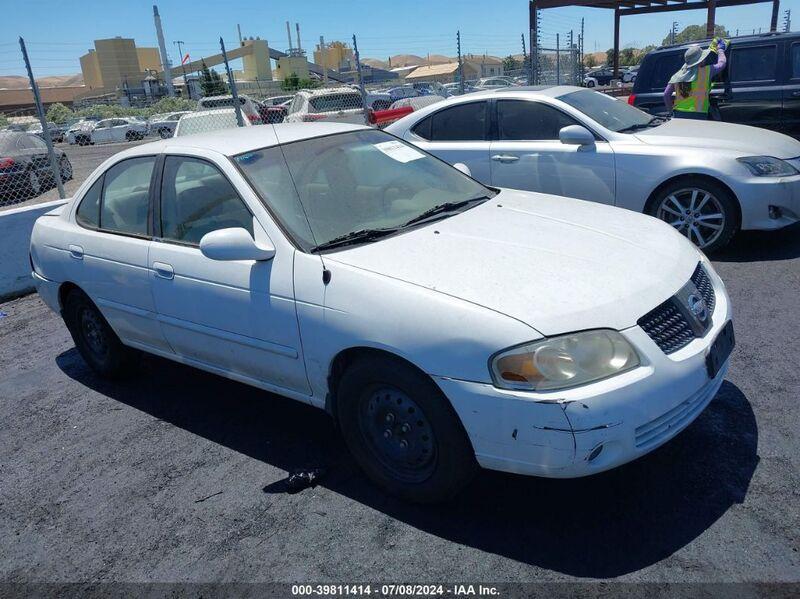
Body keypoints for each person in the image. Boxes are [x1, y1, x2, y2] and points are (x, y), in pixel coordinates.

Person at [663, 38, 727, 120]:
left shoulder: (677, 75)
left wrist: (670, 111)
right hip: (699, 114)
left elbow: (666, 95)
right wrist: (720, 50)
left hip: (679, 113)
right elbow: (722, 64)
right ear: (701, 60)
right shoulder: (707, 71)